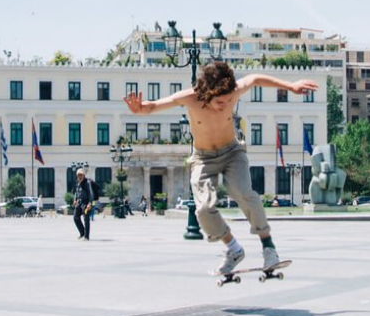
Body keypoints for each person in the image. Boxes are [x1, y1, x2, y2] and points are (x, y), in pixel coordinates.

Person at [124, 61, 318, 273]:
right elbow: (157, 104)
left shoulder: (233, 90)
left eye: (228, 101)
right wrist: (141, 109)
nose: (225, 105)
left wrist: (290, 86)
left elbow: (255, 78)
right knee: (204, 209)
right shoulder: (190, 97)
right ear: (206, 93)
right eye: (219, 102)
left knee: (244, 193)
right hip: (203, 158)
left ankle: (269, 248)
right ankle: (233, 248)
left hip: (232, 153)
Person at [73, 168, 92, 240]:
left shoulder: (87, 183)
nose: (79, 176)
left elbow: (91, 194)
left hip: (86, 203)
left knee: (86, 219)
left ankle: (86, 236)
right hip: (79, 203)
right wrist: (75, 199)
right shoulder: (78, 183)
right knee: (76, 218)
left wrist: (89, 203)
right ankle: (82, 232)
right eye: (78, 175)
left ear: (83, 175)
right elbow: (76, 193)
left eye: (81, 175)